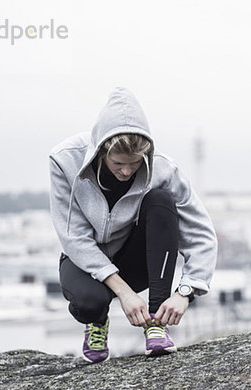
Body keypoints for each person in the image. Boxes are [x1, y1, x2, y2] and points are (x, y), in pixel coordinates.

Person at [48, 87, 217, 362]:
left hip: (134, 258)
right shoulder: (64, 160)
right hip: (84, 262)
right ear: (101, 150)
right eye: (118, 163)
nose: (127, 171)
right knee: (90, 304)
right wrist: (124, 293)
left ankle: (155, 322)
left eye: (135, 164)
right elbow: (74, 237)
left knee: (161, 200)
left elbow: (201, 234)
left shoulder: (164, 169)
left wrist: (185, 292)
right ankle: (97, 322)